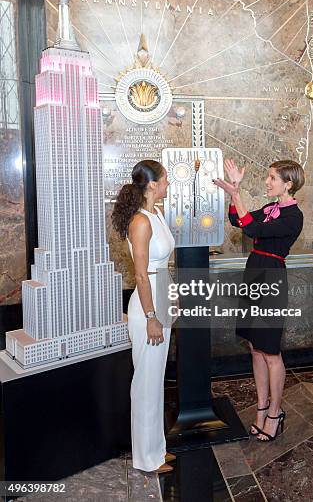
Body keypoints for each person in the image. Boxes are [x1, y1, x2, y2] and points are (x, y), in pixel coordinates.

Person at [213, 159, 304, 442]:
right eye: (268, 177)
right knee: (255, 347)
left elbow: (251, 229)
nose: (267, 182)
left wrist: (238, 195)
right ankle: (261, 407)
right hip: (254, 275)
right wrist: (234, 193)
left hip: (272, 277)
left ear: (288, 184)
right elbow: (237, 221)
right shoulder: (269, 209)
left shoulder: (293, 216)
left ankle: (275, 412)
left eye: (272, 178)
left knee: (270, 351)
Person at [112, 160, 175, 473]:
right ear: (152, 184)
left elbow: (161, 268)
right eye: (164, 180)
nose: (167, 185)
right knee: (145, 383)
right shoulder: (140, 222)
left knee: (156, 381)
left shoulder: (157, 213)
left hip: (162, 297)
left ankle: (157, 449)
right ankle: (146, 459)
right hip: (147, 305)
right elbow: (140, 273)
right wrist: (152, 316)